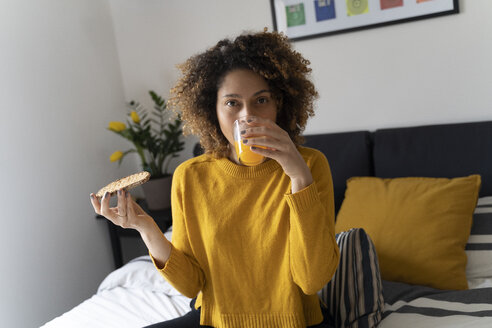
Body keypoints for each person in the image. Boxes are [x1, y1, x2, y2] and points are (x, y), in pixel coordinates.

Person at [90, 29, 340, 328]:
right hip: (217, 320)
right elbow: (191, 285)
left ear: (280, 105)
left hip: (295, 321)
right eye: (233, 103)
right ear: (213, 110)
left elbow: (312, 280)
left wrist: (298, 176)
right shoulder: (190, 176)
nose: (247, 116)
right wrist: (146, 228)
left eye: (261, 100)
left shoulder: (310, 165)